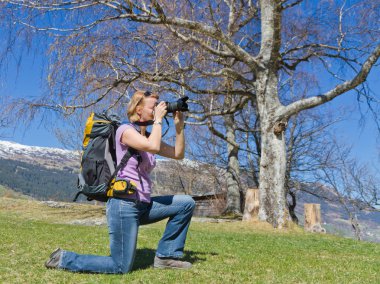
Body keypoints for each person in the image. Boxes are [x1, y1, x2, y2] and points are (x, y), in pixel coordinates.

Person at [45, 90, 195, 273]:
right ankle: (63, 258)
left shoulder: (149, 136)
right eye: (153, 107)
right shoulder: (124, 131)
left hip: (144, 204)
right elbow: (153, 147)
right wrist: (158, 120)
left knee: (186, 203)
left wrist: (179, 127)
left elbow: (178, 154)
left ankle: (166, 256)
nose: (157, 109)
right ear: (139, 110)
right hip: (123, 205)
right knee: (120, 266)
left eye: (159, 106)